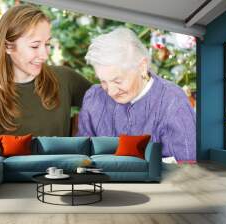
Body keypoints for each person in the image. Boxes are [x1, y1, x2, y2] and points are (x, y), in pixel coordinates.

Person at [77, 27, 196, 162]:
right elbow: (81, 154)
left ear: (142, 67)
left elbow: (185, 167)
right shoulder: (93, 97)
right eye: (103, 81)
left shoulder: (173, 102)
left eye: (117, 81)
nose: (111, 91)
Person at [0, 5, 92, 136]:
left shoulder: (66, 78)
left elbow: (109, 105)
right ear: (8, 47)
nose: (45, 55)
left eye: (47, 44)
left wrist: (80, 128)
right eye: (35, 46)